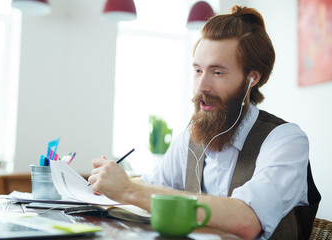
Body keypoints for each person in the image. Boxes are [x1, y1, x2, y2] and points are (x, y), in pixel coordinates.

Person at [88, 5, 320, 240]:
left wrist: (129, 189)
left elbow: (247, 220)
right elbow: (152, 183)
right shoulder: (192, 137)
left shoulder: (285, 140)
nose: (201, 86)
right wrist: (113, 180)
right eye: (198, 70)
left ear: (252, 78)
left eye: (217, 72)